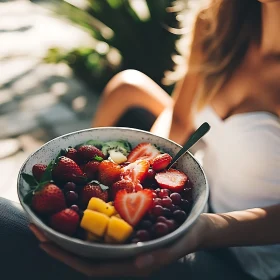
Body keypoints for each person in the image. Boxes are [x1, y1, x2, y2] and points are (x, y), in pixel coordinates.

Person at [1, 0, 280, 279]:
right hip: (192, 205)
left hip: (247, 259)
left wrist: (207, 229)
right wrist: (141, 172)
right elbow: (181, 118)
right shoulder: (217, 22)